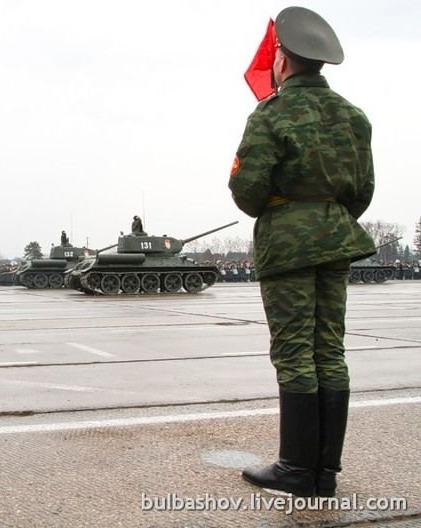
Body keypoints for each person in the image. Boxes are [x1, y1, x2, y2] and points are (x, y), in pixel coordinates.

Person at [229, 6, 375, 497]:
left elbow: (247, 192)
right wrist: (327, 216)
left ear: (283, 62)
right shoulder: (354, 117)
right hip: (335, 238)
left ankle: (295, 470)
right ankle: (324, 474)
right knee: (329, 351)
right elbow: (362, 192)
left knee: (294, 353)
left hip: (288, 244)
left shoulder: (272, 114)